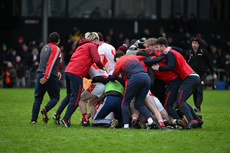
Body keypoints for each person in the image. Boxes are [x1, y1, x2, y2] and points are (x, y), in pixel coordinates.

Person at [54, 32, 104, 128]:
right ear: (95, 40)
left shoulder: (80, 46)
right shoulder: (91, 45)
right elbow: (97, 60)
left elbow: (81, 62)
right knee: (76, 98)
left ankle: (58, 114)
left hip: (68, 71)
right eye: (98, 40)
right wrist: (102, 67)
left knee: (69, 95)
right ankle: (65, 119)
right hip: (76, 73)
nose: (99, 43)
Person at [152, 37, 203, 129]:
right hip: (192, 77)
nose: (157, 50)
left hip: (189, 77)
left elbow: (171, 66)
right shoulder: (171, 52)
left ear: (163, 46)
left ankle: (191, 121)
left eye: (158, 47)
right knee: (181, 101)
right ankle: (197, 120)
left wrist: (159, 68)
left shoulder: (170, 53)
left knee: (180, 101)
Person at [110, 51, 158, 129]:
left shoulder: (119, 63)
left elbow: (114, 77)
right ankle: (150, 121)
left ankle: (126, 125)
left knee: (125, 102)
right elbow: (144, 58)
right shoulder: (133, 56)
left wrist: (108, 77)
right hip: (146, 78)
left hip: (135, 78)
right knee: (139, 104)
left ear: (117, 58)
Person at [31, 32, 62, 124]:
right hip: (49, 76)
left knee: (38, 99)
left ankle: (33, 120)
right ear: (58, 40)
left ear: (49, 39)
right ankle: (45, 109)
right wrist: (46, 77)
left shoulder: (44, 47)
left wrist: (58, 71)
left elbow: (44, 62)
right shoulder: (56, 48)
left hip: (40, 74)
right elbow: (51, 63)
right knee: (55, 97)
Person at [186, 37, 217, 112]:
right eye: (193, 43)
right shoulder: (189, 52)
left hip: (201, 75)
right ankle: (197, 107)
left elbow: (209, 63)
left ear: (199, 44)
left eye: (196, 43)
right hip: (192, 75)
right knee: (194, 91)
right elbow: (185, 63)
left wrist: (213, 73)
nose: (194, 45)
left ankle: (198, 106)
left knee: (200, 89)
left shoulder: (203, 52)